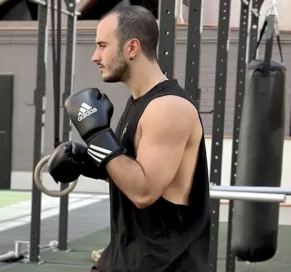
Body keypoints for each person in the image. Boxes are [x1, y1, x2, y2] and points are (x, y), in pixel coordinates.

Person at [47, 6, 211, 272]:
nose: (95, 56)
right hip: (125, 258)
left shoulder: (169, 107)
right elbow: (131, 168)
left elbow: (143, 191)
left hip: (163, 264)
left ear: (132, 47)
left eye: (102, 45)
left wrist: (97, 135)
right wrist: (89, 163)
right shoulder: (138, 104)